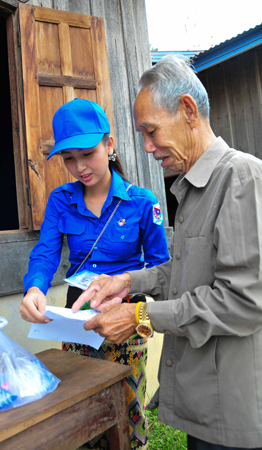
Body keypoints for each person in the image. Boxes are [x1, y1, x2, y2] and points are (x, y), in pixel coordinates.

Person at [72, 55, 262, 450]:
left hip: (234, 409)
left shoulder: (240, 177)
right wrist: (127, 280)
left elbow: (244, 300)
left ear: (188, 111)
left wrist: (142, 314)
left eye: (151, 131)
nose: (146, 147)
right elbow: (187, 272)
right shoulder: (192, 187)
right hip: (207, 403)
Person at [20, 98, 170, 450]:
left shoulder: (143, 202)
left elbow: (162, 267)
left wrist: (136, 302)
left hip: (126, 319)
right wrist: (34, 289)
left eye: (87, 153)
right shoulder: (60, 200)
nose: (79, 167)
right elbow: (45, 252)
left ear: (109, 144)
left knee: (126, 407)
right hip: (77, 319)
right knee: (80, 410)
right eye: (68, 158)